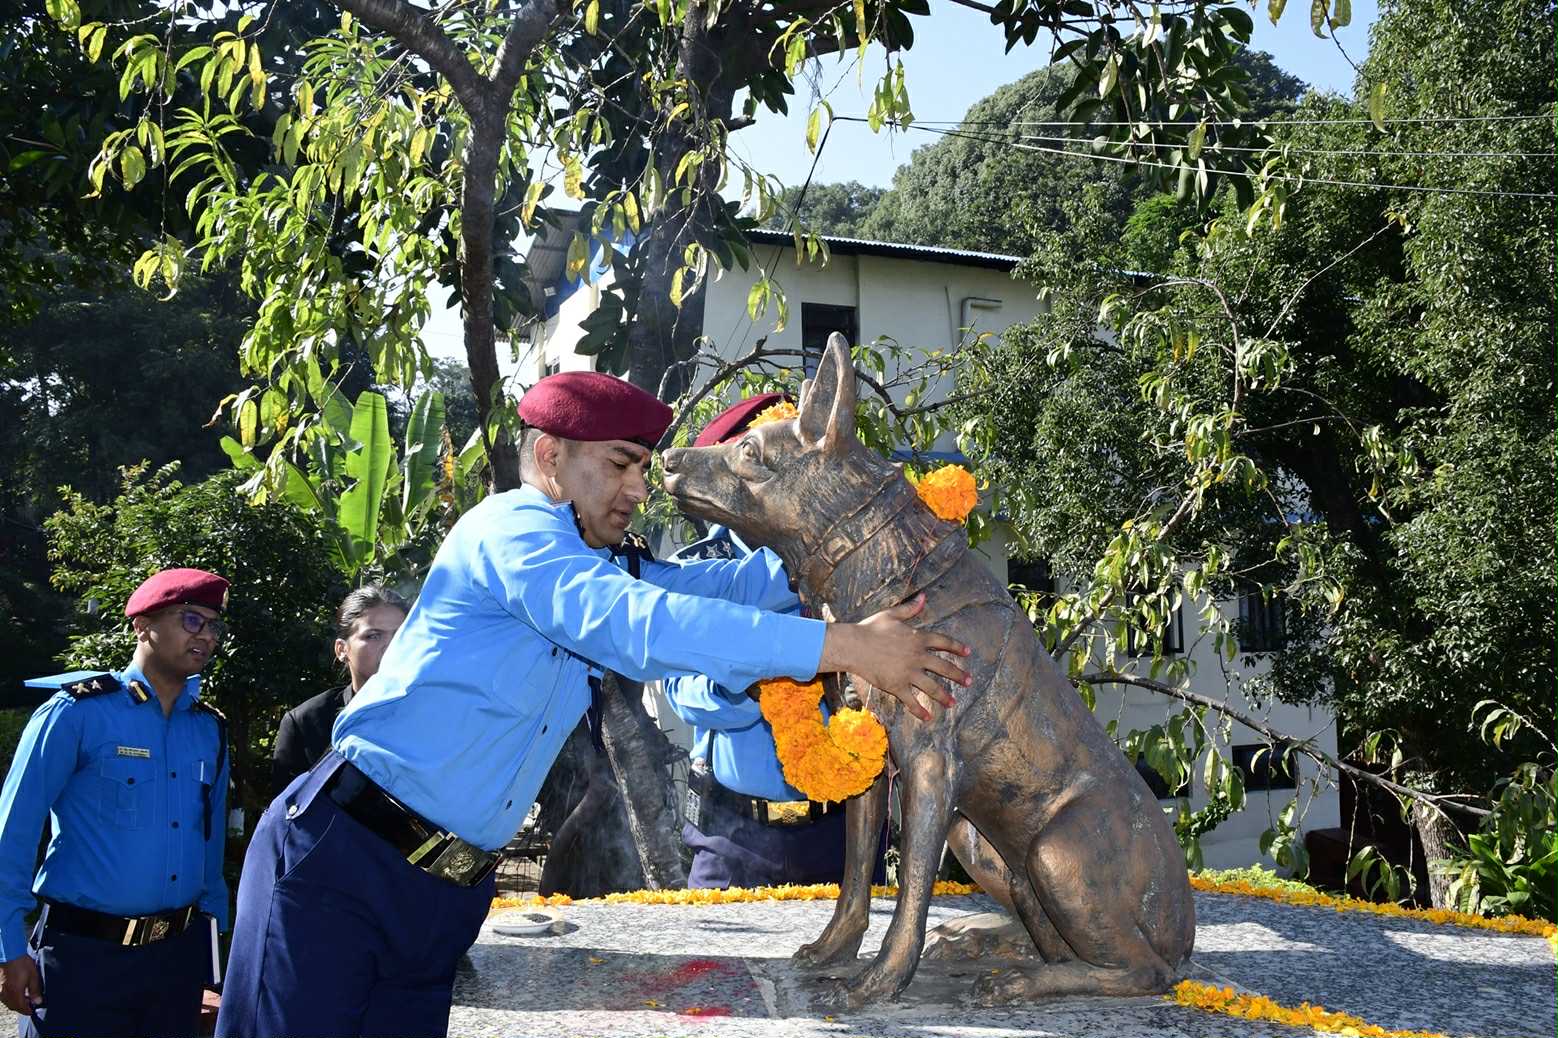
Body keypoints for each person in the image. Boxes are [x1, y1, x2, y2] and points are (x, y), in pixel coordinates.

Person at [215, 371, 970, 1038]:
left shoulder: (592, 560)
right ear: (550, 457)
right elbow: (639, 626)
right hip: (345, 863)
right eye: (620, 465)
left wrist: (859, 523)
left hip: (443, 891)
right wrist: (849, 648)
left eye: (642, 467)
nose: (639, 489)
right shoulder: (512, 532)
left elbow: (723, 590)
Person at [664, 394, 886, 889]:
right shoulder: (702, 570)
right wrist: (745, 685)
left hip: (844, 828)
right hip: (735, 838)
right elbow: (682, 692)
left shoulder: (856, 555)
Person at [0, 569, 231, 1037]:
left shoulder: (209, 729)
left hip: (175, 962)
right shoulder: (76, 713)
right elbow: (13, 831)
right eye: (191, 620)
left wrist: (213, 956)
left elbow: (209, 846)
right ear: (143, 625)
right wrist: (7, 948)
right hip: (84, 959)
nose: (205, 635)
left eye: (213, 626)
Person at [271, 586, 409, 797]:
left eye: (400, 635)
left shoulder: (434, 712)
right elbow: (286, 818)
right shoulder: (306, 723)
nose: (390, 646)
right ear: (342, 649)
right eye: (373, 636)